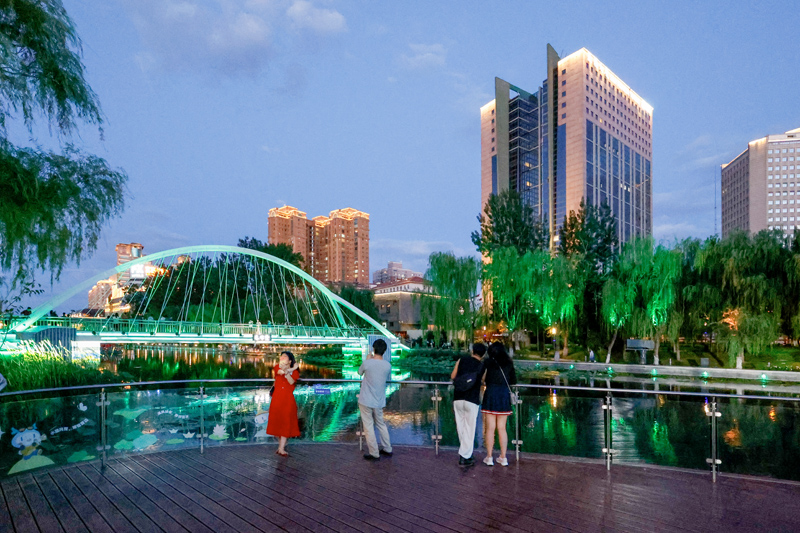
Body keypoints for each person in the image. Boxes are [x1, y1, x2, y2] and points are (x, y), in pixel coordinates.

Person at [481, 342, 516, 467]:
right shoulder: (508, 363)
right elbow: (513, 380)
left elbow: (482, 378)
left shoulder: (488, 362)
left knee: (490, 428)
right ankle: (503, 457)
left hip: (490, 394)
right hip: (503, 395)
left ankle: (489, 457)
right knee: (502, 428)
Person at [451, 342, 486, 466]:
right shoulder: (482, 366)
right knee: (469, 429)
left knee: (461, 427)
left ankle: (466, 454)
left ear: (472, 351)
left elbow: (453, 376)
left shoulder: (461, 360)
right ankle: (465, 457)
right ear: (483, 354)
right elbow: (483, 381)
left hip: (458, 397)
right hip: (472, 399)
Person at [358, 338, 393, 461]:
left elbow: (359, 372)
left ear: (373, 349)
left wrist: (368, 359)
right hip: (379, 400)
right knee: (381, 424)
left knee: (368, 426)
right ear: (384, 351)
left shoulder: (368, 363)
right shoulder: (387, 365)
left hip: (365, 399)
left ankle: (374, 453)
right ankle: (387, 448)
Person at [267, 351, 300, 456]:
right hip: (277, 399)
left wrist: (290, 371)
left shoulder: (295, 373)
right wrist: (292, 369)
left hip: (288, 400)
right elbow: (280, 372)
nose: (282, 358)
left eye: (285, 356)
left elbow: (291, 382)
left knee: (286, 422)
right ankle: (280, 446)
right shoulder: (277, 367)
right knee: (277, 421)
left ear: (290, 361)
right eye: (281, 356)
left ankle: (281, 448)